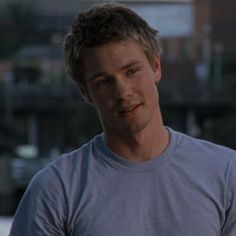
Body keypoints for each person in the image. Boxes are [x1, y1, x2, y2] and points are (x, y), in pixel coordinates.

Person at [10, 2, 236, 236]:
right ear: (84, 91)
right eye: (104, 81)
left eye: (131, 71)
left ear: (156, 66)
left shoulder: (226, 174)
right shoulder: (56, 190)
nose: (123, 92)